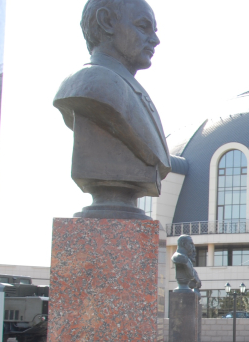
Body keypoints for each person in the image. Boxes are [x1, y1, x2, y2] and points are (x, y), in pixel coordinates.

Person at [55, 0, 172, 209]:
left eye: (154, 30)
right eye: (143, 26)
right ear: (107, 22)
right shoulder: (95, 84)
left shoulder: (129, 90)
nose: (155, 40)